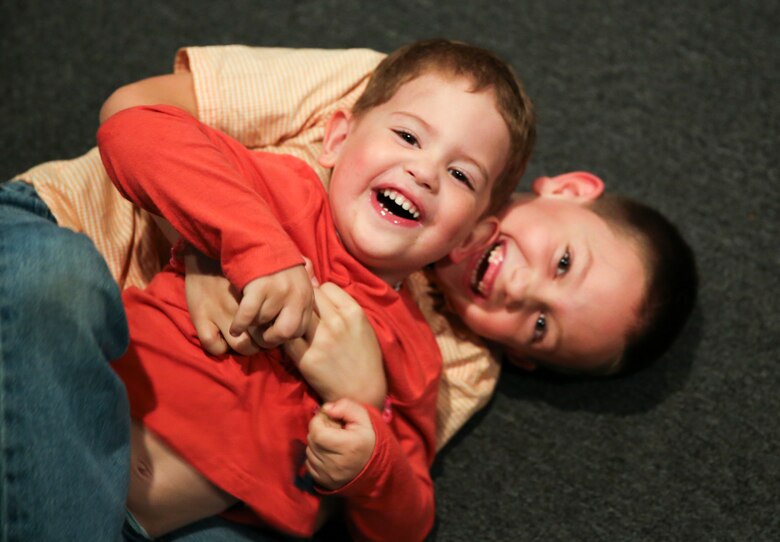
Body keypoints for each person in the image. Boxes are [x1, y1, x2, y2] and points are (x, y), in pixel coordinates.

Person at [97, 39, 532, 541]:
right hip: (96, 424)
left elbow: (407, 526)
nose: (425, 172)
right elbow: (133, 129)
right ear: (337, 140)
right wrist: (253, 246)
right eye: (408, 136)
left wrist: (372, 450)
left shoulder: (417, 354)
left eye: (460, 175)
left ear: (467, 239)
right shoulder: (278, 193)